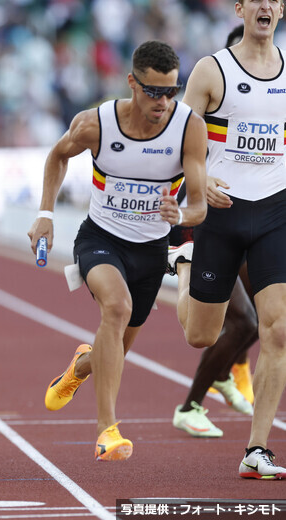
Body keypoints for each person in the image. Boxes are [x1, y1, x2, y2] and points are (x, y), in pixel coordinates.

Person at [29, 40, 207, 461]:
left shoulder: (189, 128)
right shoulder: (97, 124)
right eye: (153, 91)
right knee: (117, 308)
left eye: (171, 91)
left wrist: (180, 214)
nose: (163, 101)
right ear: (132, 82)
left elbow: (198, 204)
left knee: (115, 352)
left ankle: (79, 367)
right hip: (100, 240)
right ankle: (107, 430)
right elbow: (57, 156)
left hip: (150, 251)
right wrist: (45, 214)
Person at [173, 0, 286, 479]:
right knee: (201, 335)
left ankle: (256, 449)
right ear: (240, 8)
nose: (265, 5)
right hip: (220, 212)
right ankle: (180, 266)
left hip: (275, 211)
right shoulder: (211, 70)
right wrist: (199, 182)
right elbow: (173, 138)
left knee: (277, 330)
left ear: (280, 8)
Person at [170, 24, 259, 439]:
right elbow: (179, 151)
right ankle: (196, 399)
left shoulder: (270, 96)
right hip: (209, 220)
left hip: (258, 218)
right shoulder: (211, 88)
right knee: (216, 329)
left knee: (255, 321)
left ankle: (220, 377)